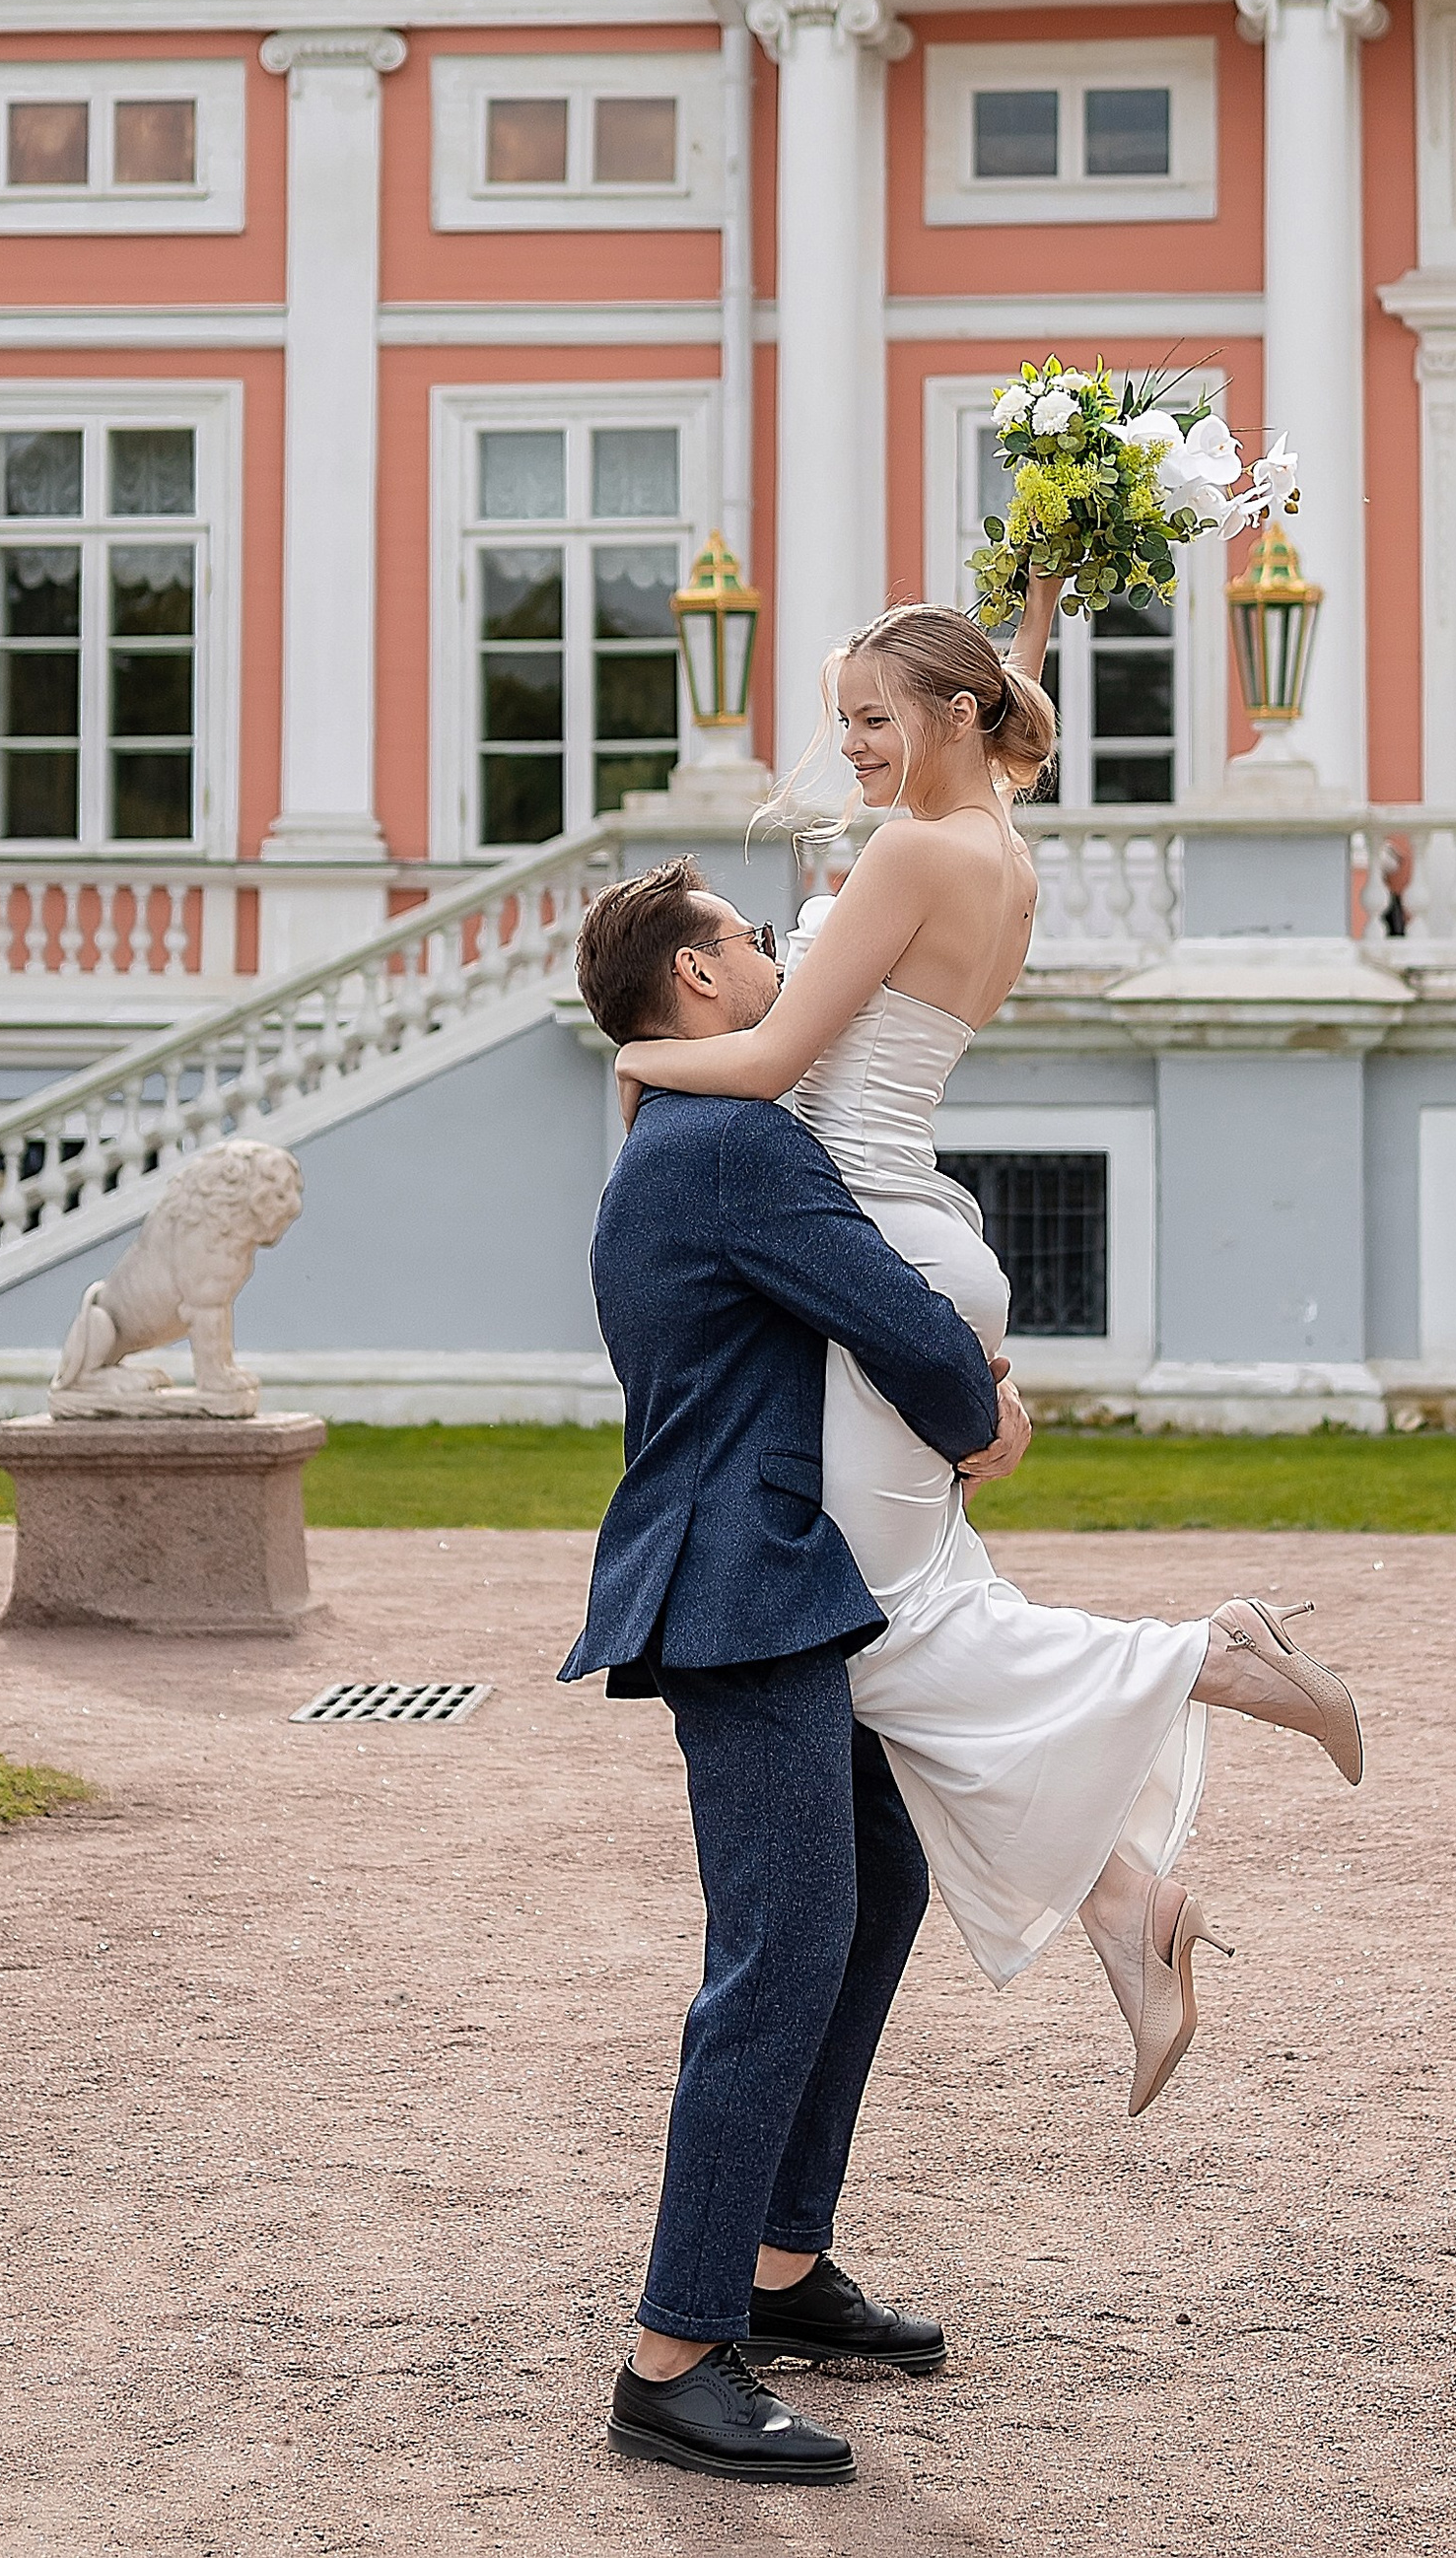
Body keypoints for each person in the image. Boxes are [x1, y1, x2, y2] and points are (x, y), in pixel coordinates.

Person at [605, 586, 1365, 2123]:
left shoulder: (917, 850)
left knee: (866, 1626)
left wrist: (626, 1055)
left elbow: (760, 1064)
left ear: (951, 718)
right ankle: (1126, 1904)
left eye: (875, 721)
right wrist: (1027, 607)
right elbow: (977, 702)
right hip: (907, 1234)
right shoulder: (994, 838)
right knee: (917, 1619)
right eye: (844, 721)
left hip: (862, 1235)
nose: (849, 748)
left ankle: (1213, 1660)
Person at [560, 859, 1028, 2490]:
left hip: (771, 1569)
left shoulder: (675, 1130)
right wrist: (980, 1410)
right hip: (740, 1580)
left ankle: (777, 2265)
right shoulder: (738, 1141)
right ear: (696, 978)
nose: (778, 958)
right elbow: (880, 1304)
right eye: (752, 941)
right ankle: (675, 2354)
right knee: (778, 1951)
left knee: (875, 1885)